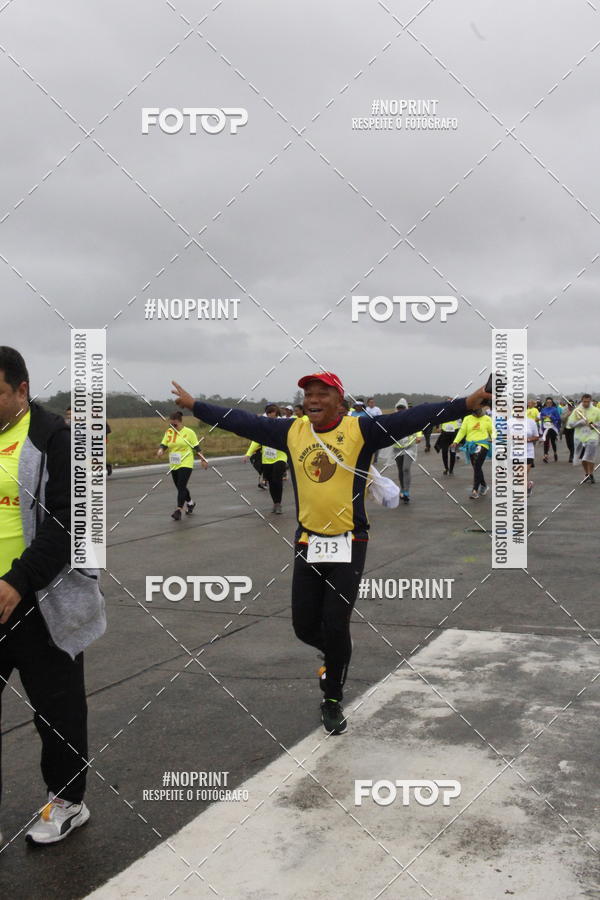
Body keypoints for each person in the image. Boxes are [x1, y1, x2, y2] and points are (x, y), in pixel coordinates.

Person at [171, 372, 490, 735]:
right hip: (308, 542)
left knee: (336, 624)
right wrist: (196, 406)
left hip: (349, 542)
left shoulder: (360, 431)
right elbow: (241, 422)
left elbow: (416, 417)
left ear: (340, 401)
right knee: (304, 626)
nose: (313, 399)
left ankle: (333, 698)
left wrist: (467, 403)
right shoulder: (292, 432)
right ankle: (335, 653)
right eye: (308, 394)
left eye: (322, 394)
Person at [0, 347, 105, 844]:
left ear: (22, 389)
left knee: (56, 712)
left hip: (41, 601)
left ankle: (68, 801)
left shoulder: (56, 439)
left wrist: (18, 580)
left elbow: (69, 522)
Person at [157, 411, 208, 519]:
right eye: (171, 424)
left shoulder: (189, 432)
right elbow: (164, 444)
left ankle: (178, 510)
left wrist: (203, 460)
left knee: (181, 486)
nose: (172, 426)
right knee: (180, 487)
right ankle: (190, 503)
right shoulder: (169, 432)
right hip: (174, 463)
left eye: (174, 424)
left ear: (180, 422)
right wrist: (161, 450)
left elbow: (197, 448)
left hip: (186, 462)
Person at [244, 404, 287, 514]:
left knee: (277, 478)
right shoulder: (263, 427)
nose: (270, 416)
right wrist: (248, 454)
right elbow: (256, 441)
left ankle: (278, 504)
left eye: (272, 413)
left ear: (276, 414)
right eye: (268, 414)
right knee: (271, 481)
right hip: (267, 458)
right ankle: (275, 503)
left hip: (281, 456)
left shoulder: (283, 425)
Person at [451, 407, 495, 499]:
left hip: (483, 444)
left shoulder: (487, 418)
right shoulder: (467, 419)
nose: (479, 415)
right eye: (476, 413)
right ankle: (484, 485)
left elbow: (493, 431)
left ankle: (474, 490)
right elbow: (462, 431)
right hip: (470, 446)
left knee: (477, 465)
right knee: (476, 467)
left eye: (480, 412)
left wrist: (493, 438)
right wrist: (455, 441)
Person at [388, 399, 421, 503]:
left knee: (406, 469)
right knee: (400, 470)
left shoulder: (411, 418)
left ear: (406, 409)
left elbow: (418, 427)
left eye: (402, 408)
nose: (400, 410)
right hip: (397, 447)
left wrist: (419, 436)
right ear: (396, 409)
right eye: (399, 408)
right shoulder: (393, 419)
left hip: (410, 447)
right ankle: (402, 488)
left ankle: (406, 491)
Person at [567, 394, 600, 483]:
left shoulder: (596, 410)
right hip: (580, 437)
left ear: (591, 401)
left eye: (588, 402)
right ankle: (587, 473)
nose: (586, 403)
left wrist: (595, 425)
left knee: (590, 456)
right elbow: (570, 424)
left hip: (592, 437)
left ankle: (591, 473)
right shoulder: (577, 411)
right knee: (583, 458)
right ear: (582, 401)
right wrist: (580, 422)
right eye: (584, 401)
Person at [434, 402, 461, 475]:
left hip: (453, 435)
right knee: (444, 452)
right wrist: (437, 427)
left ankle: (451, 469)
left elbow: (461, 420)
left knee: (452, 452)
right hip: (445, 434)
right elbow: (437, 419)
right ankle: (446, 468)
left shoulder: (457, 411)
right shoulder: (443, 411)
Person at [540, 397, 561, 463]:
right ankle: (545, 455)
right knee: (546, 441)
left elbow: (558, 418)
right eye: (547, 402)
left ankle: (555, 453)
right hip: (545, 426)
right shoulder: (543, 409)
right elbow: (541, 417)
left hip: (552, 427)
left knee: (552, 441)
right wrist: (543, 417)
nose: (549, 403)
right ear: (546, 403)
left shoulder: (554, 409)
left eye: (550, 402)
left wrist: (551, 417)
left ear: (552, 403)